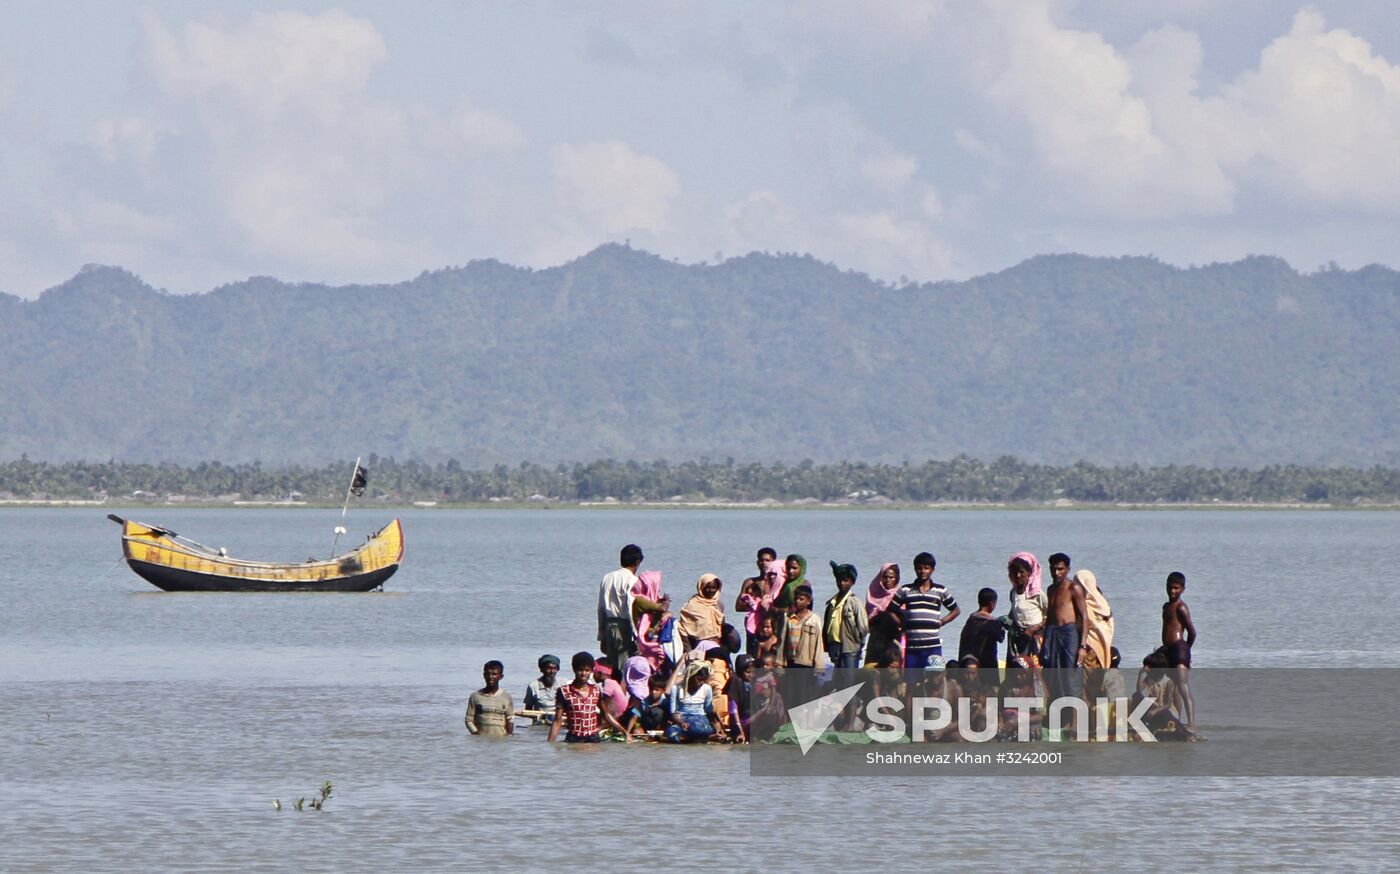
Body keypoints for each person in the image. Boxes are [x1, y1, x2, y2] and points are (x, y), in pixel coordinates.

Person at [598, 545, 666, 672]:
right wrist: (636, 635)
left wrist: (601, 635)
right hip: (625, 626)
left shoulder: (607, 578)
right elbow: (631, 608)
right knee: (625, 665)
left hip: (609, 625)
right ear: (637, 562)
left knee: (612, 664)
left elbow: (601, 608)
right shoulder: (633, 581)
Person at [1042, 552, 1088, 731]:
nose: (1056, 573)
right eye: (1053, 569)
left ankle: (1075, 722)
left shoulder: (1073, 588)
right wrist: (1045, 642)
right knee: (1053, 674)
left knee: (1071, 676)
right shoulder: (1050, 589)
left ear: (1067, 569)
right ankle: (1060, 718)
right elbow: (1050, 618)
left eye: (1060, 569)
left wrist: (1082, 646)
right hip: (1053, 633)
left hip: (1069, 634)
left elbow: (1084, 617)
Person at [893, 552, 960, 669]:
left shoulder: (940, 590)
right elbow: (890, 611)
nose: (922, 571)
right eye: (919, 568)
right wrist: (902, 623)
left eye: (926, 568)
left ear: (932, 570)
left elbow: (955, 610)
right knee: (912, 683)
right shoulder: (905, 590)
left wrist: (942, 622)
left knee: (934, 682)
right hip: (912, 648)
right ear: (915, 569)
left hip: (933, 646)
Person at [549, 652, 631, 743]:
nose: (583, 674)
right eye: (580, 670)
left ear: (592, 671)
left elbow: (606, 714)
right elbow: (557, 720)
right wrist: (550, 743)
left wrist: (624, 732)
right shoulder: (564, 692)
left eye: (587, 670)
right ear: (574, 670)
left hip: (593, 739)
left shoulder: (596, 690)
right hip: (574, 739)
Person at [1161, 571, 1198, 731]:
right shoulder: (1166, 606)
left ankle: (1191, 723)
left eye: (1176, 588)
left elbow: (1192, 632)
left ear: (1183, 589)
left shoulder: (1181, 607)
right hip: (1169, 649)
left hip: (1180, 648)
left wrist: (1186, 652)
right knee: (1172, 685)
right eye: (1170, 587)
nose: (1172, 591)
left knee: (1183, 686)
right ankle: (1176, 719)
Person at [782, 583, 825, 704]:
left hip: (806, 663)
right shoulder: (789, 618)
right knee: (791, 695)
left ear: (808, 601)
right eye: (796, 598)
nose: (797, 601)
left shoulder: (814, 619)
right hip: (791, 662)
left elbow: (818, 643)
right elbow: (783, 642)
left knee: (803, 696)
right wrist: (780, 663)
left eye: (801, 599)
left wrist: (818, 666)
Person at [666, 661, 726, 743]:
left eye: (703, 681)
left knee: (697, 727)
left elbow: (710, 712)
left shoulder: (706, 689)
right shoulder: (676, 689)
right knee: (671, 734)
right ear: (690, 676)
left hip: (699, 719)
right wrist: (681, 723)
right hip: (682, 720)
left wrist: (718, 728)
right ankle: (705, 738)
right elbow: (672, 713)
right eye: (699, 679)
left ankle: (696, 737)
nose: (701, 683)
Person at [823, 561, 868, 669]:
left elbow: (863, 628)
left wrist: (858, 645)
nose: (842, 583)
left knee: (849, 681)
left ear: (852, 582)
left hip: (850, 648)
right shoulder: (832, 603)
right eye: (839, 580)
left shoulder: (854, 602)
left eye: (846, 581)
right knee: (838, 680)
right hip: (834, 646)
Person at [737, 548, 780, 654]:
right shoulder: (750, 582)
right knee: (752, 656)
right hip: (754, 627)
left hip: (773, 627)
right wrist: (754, 604)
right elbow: (738, 606)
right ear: (757, 562)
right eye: (761, 560)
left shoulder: (778, 583)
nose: (764, 563)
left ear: (774, 562)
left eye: (767, 560)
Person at [1005, 553, 1047, 662]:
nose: (1018, 576)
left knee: (1035, 668)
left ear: (1029, 573)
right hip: (1021, 637)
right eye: (1015, 573)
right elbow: (1014, 613)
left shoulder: (1037, 594)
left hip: (1036, 638)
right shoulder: (1013, 593)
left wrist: (1034, 629)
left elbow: (1050, 615)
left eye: (1022, 572)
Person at [959, 588, 1005, 679]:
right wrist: (1002, 626)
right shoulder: (992, 622)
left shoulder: (971, 620)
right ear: (992, 603)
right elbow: (1001, 637)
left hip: (970, 664)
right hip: (987, 666)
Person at [864, 562, 903, 667]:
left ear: (897, 578)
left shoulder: (901, 595)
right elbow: (866, 623)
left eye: (891, 577)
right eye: (885, 577)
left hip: (893, 643)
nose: (888, 580)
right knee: (871, 673)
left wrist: (889, 615)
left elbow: (903, 623)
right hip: (875, 642)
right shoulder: (873, 592)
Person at [466, 660, 514, 736]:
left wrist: (509, 737)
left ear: (501, 676)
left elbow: (510, 719)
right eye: (488, 674)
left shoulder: (506, 697)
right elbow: (468, 720)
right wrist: (476, 735)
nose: (490, 677)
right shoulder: (475, 696)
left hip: (500, 741)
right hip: (481, 742)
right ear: (484, 675)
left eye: (494, 674)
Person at [677, 573, 725, 651]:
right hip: (699, 646)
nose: (711, 591)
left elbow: (722, 626)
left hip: (717, 644)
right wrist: (689, 651)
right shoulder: (691, 606)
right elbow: (683, 629)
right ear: (701, 587)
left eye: (714, 588)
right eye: (707, 587)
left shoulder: (718, 604)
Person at [523, 654, 561, 723]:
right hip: (540, 724)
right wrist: (540, 716)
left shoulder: (563, 684)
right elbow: (528, 710)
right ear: (541, 669)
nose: (552, 672)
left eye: (554, 668)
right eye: (548, 668)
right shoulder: (533, 686)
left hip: (559, 722)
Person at [592, 658, 632, 724]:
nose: (593, 675)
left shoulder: (609, 684)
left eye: (594, 672)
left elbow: (604, 710)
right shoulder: (613, 683)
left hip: (619, 719)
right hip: (620, 717)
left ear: (600, 673)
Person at [727, 654, 756, 742]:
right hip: (743, 722)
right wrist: (740, 732)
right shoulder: (735, 681)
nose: (750, 675)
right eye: (747, 672)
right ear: (740, 671)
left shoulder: (752, 683)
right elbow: (733, 710)